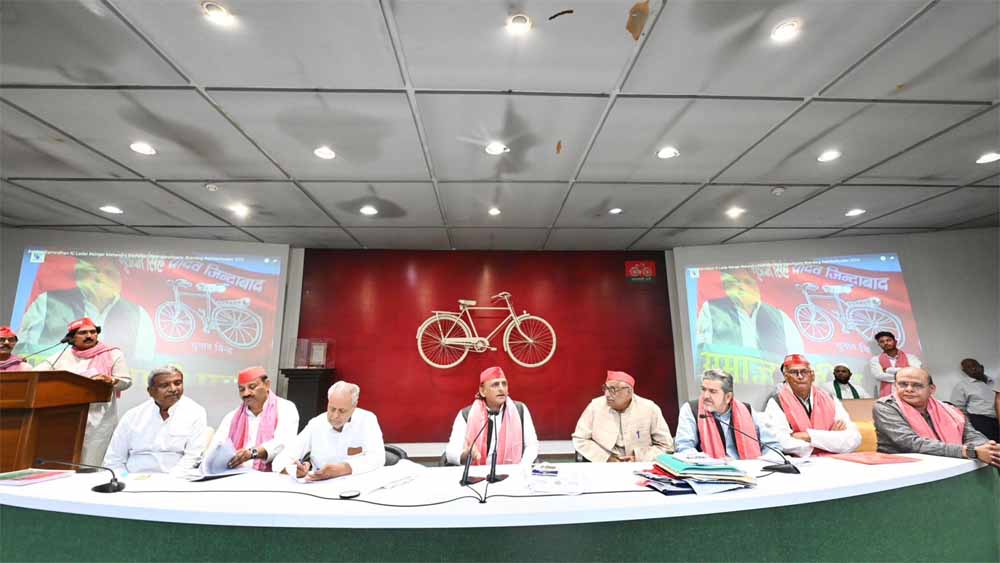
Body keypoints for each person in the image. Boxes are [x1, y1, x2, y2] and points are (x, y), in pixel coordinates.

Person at [16, 256, 156, 363]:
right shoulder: (48, 301)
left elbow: (143, 362)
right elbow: (23, 349)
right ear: (79, 276)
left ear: (120, 280)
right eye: (93, 272)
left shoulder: (138, 314)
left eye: (108, 273)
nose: (100, 278)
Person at [37, 317, 132, 465]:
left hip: (99, 419)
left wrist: (111, 380)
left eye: (93, 332)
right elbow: (36, 374)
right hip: (67, 417)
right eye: (83, 333)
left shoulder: (113, 354)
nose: (89, 336)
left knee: (91, 463)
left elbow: (126, 381)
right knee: (65, 461)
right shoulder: (61, 356)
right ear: (71, 338)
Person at [873, 367, 999, 467]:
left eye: (917, 385)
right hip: (902, 469)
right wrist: (970, 451)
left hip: (951, 465)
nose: (909, 389)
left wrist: (987, 448)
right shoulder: (885, 407)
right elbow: (911, 443)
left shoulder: (949, 409)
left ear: (931, 389)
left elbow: (972, 435)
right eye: (903, 384)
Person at [103, 365, 208, 476]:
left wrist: (170, 481)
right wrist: (123, 479)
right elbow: (114, 459)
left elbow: (193, 456)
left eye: (178, 383)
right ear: (150, 391)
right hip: (133, 478)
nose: (173, 389)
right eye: (164, 385)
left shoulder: (195, 412)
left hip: (176, 478)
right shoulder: (133, 416)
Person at [274, 381, 384, 481]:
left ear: (354, 407)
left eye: (342, 411)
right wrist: (294, 470)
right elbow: (280, 460)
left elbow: (378, 458)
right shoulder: (316, 424)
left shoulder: (367, 420)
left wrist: (342, 469)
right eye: (332, 409)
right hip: (321, 487)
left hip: (358, 485)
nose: (335, 415)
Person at [695, 268, 805, 359]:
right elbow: (701, 352)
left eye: (746, 282)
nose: (741, 287)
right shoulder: (712, 310)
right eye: (732, 283)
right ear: (726, 287)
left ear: (756, 285)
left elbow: (797, 357)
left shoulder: (779, 317)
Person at [764, 355, 861, 457]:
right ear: (786, 377)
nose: (800, 376)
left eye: (804, 372)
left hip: (834, 461)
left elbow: (854, 438)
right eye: (794, 372)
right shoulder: (776, 401)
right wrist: (830, 441)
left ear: (812, 375)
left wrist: (808, 436)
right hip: (800, 463)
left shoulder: (830, 399)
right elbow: (781, 442)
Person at [674, 369, 782, 460]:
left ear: (728, 397)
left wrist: (759, 463)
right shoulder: (691, 410)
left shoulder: (747, 410)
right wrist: (712, 463)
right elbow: (684, 448)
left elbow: (772, 446)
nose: (705, 396)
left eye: (712, 391)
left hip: (747, 470)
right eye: (703, 389)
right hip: (708, 472)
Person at [208, 366, 300, 471]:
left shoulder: (285, 408)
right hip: (234, 474)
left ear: (267, 385)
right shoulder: (232, 417)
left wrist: (252, 453)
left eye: (252, 387)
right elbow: (216, 447)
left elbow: (283, 443)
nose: (246, 393)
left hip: (271, 476)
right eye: (242, 389)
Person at [445, 366, 539, 467]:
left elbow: (532, 445)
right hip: (475, 473)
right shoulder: (466, 414)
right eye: (495, 385)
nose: (501, 389)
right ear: (482, 391)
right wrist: (467, 454)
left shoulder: (520, 409)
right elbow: (450, 452)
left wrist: (522, 467)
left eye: (504, 384)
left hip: (513, 471)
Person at [572, 370, 674, 462]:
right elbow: (580, 439)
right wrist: (606, 458)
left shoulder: (650, 409)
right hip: (603, 465)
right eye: (605, 388)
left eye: (612, 389)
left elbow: (666, 446)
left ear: (629, 392)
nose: (607, 394)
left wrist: (638, 458)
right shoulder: (595, 406)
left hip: (640, 466)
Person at [949, 359, 998, 441]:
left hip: (998, 419)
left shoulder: (995, 382)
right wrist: (969, 426)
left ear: (981, 367)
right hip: (981, 422)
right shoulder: (962, 386)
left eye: (974, 366)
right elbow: (958, 409)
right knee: (991, 446)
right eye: (968, 367)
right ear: (965, 371)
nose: (973, 369)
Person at [867, 331, 921, 397]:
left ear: (895, 341)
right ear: (879, 345)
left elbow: (915, 372)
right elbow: (879, 375)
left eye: (888, 340)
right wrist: (906, 374)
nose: (885, 343)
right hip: (887, 396)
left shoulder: (910, 357)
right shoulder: (875, 359)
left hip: (910, 393)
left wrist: (888, 370)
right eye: (882, 342)